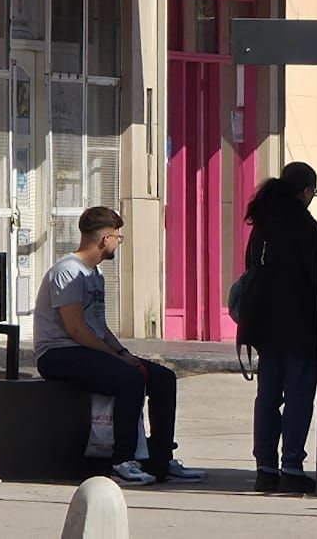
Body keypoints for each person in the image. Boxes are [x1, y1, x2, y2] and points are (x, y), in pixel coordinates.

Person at [34, 206, 204, 487]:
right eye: (118, 237)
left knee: (163, 378)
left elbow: (99, 328)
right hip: (58, 353)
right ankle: (122, 461)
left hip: (87, 348)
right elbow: (76, 329)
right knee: (130, 379)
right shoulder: (67, 272)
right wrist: (116, 359)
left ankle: (161, 458)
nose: (118, 243)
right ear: (105, 239)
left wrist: (124, 354)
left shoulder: (94, 275)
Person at [238, 162, 317, 494]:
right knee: (299, 395)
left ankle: (265, 468)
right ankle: (291, 466)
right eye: (313, 193)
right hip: (299, 324)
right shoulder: (305, 225)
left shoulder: (264, 222)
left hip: (263, 324)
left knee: (268, 395)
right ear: (304, 192)